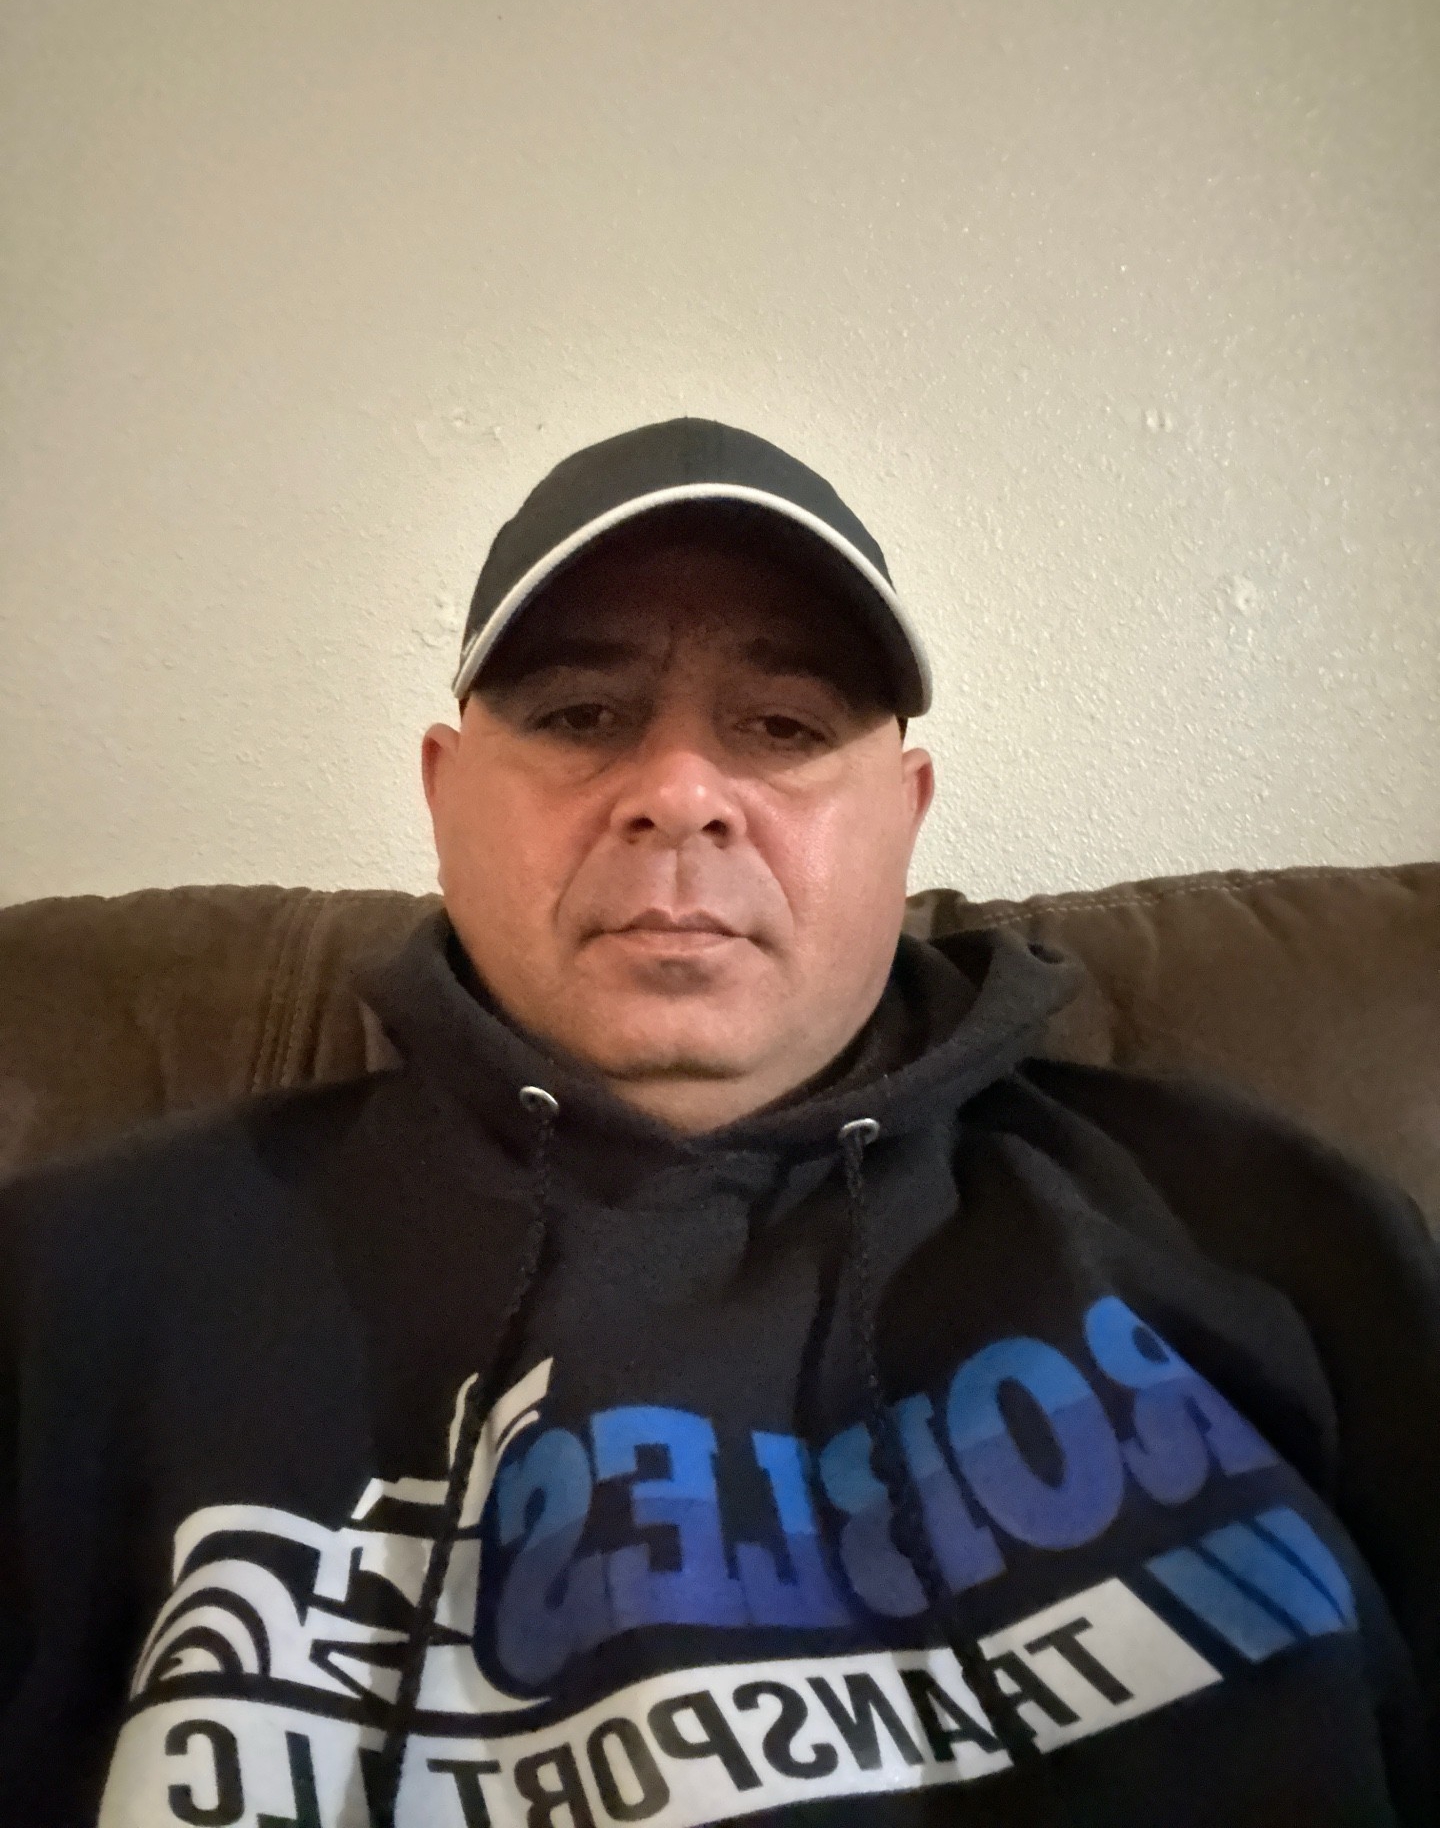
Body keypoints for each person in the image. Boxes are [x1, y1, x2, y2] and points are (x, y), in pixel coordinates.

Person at [0, 418, 1436, 1828]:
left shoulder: (1272, 1231)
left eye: (784, 726)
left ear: (907, 812)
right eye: (581, 716)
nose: (681, 794)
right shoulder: (78, 1285)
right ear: (444, 797)